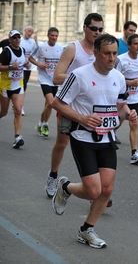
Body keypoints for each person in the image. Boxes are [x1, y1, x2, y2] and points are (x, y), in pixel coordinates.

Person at [51, 33, 137, 249]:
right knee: (93, 191)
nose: (111, 58)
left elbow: (120, 105)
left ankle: (86, 229)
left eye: (115, 53)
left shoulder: (118, 77)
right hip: (82, 137)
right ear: (96, 53)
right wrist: (82, 118)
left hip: (107, 138)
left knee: (106, 189)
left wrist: (129, 113)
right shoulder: (79, 75)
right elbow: (57, 103)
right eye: (107, 53)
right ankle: (66, 187)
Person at [44, 13, 103, 198]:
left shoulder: (101, 50)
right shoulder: (73, 49)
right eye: (94, 28)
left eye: (100, 29)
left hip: (92, 108)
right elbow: (56, 77)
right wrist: (81, 78)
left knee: (93, 146)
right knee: (62, 143)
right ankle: (53, 175)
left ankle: (96, 187)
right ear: (85, 28)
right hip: (69, 105)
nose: (97, 32)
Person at [115, 34, 138, 164]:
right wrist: (129, 82)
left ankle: (134, 153)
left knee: (134, 123)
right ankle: (107, 135)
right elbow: (115, 78)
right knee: (118, 121)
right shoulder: (120, 59)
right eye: (135, 44)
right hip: (122, 98)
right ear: (129, 45)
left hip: (136, 98)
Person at [29, 27, 63, 137]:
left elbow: (62, 62)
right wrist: (39, 65)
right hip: (44, 79)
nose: (54, 37)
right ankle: (45, 125)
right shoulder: (41, 47)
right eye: (52, 35)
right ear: (48, 35)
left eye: (56, 36)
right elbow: (30, 58)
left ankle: (40, 123)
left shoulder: (60, 48)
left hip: (54, 79)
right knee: (50, 103)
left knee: (48, 105)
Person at [0, 30, 31, 148]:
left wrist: (27, 65)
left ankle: (17, 137)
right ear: (10, 40)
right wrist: (11, 66)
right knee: (3, 112)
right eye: (15, 37)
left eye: (19, 37)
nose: (17, 39)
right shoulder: (7, 52)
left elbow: (25, 63)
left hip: (18, 85)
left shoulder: (22, 50)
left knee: (18, 110)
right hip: (5, 86)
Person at [114, 21, 138, 143]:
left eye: (134, 31)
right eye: (131, 30)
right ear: (124, 30)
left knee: (123, 115)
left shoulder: (135, 47)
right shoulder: (117, 43)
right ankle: (108, 132)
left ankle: (111, 132)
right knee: (117, 112)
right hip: (116, 83)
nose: (132, 32)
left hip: (131, 89)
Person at [19, 26, 38, 116]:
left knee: (24, 87)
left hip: (27, 68)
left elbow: (36, 52)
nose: (30, 33)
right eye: (28, 31)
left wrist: (36, 41)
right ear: (25, 31)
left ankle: (19, 105)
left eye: (32, 32)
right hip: (18, 67)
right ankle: (19, 105)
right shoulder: (19, 40)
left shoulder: (32, 42)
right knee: (19, 87)